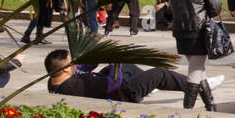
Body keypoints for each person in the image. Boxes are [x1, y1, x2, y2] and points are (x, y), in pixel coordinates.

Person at [43, 48, 218, 104]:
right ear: (66, 69)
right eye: (71, 62)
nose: (75, 64)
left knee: (128, 67)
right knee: (159, 73)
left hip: (107, 87)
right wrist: (115, 61)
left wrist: (96, 54)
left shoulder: (56, 79)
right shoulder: (75, 86)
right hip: (122, 93)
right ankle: (196, 85)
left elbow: (82, 68)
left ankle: (149, 87)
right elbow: (113, 83)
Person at [169, 0, 220, 111]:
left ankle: (211, 106)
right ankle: (187, 109)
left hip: (180, 30)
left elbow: (171, 6)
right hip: (198, 30)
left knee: (199, 69)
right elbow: (215, 6)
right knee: (195, 70)